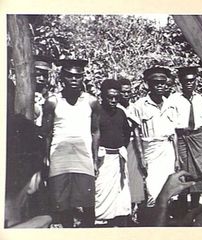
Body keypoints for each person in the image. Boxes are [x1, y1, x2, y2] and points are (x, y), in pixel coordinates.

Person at [42, 59, 100, 228]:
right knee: (62, 205)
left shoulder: (91, 102)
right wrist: (46, 158)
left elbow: (95, 131)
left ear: (83, 78)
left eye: (78, 76)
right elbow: (46, 133)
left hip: (84, 157)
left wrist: (95, 159)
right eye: (69, 76)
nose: (74, 80)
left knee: (87, 205)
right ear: (62, 77)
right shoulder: (53, 102)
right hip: (59, 157)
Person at [134, 66, 178, 206]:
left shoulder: (171, 105)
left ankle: (167, 220)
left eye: (162, 82)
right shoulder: (139, 106)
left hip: (168, 149)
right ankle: (152, 223)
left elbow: (174, 134)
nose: (159, 86)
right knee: (153, 190)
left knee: (170, 190)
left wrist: (177, 158)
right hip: (150, 150)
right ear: (148, 84)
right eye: (155, 82)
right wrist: (141, 158)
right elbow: (136, 133)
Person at [168, 66, 202, 213]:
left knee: (200, 170)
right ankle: (183, 206)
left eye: (192, 80)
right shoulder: (173, 99)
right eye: (186, 81)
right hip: (182, 137)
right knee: (183, 170)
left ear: (196, 81)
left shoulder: (200, 99)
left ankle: (196, 207)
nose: (189, 84)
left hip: (197, 138)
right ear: (181, 83)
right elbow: (171, 126)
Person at [94, 79, 132, 227]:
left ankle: (118, 219)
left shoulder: (121, 113)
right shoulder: (97, 113)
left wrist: (120, 149)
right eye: (110, 97)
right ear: (103, 96)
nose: (113, 100)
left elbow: (126, 133)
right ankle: (102, 220)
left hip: (118, 156)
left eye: (116, 97)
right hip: (103, 158)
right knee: (102, 189)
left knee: (120, 190)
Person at [118, 78, 145, 222]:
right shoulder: (115, 107)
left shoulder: (134, 108)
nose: (126, 95)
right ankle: (123, 212)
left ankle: (134, 211)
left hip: (133, 145)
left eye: (128, 92)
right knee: (122, 179)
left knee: (135, 178)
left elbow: (137, 129)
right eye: (123, 92)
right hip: (119, 145)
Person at [33, 55, 53, 127]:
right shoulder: (20, 95)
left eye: (45, 76)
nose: (41, 79)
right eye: (38, 75)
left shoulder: (51, 98)